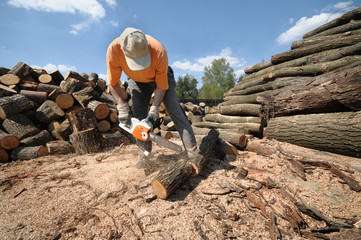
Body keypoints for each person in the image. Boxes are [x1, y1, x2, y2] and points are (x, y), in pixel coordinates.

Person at [106, 27, 197, 168]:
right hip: (136, 81)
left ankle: (192, 153)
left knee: (173, 108)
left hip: (160, 77)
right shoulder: (113, 50)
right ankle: (145, 156)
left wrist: (154, 109)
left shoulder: (158, 50)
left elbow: (162, 87)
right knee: (139, 114)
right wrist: (122, 107)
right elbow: (113, 83)